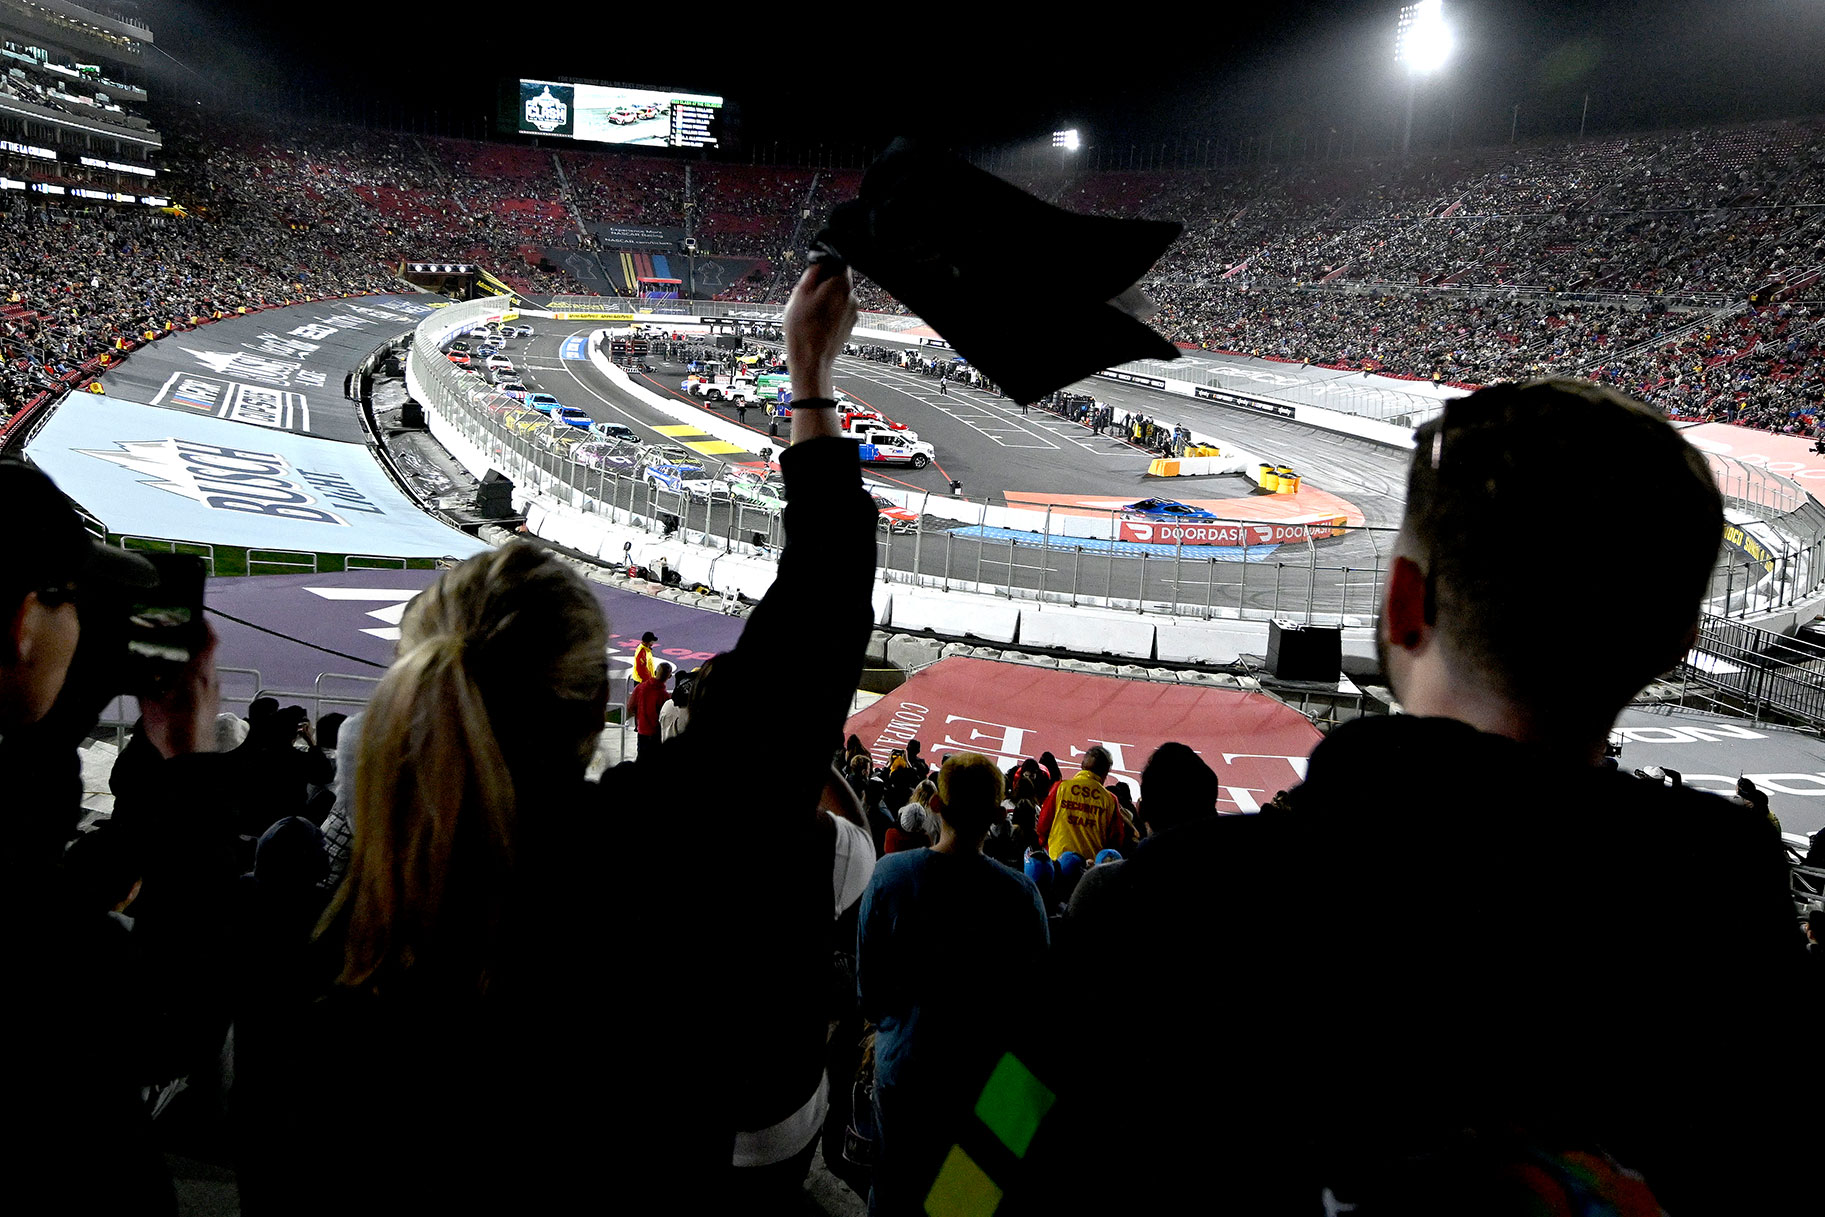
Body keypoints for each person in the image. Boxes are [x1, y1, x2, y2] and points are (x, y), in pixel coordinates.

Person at [1020, 380, 1813, 1215]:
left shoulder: (1168, 898)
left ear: (1401, 604)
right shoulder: (1730, 935)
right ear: (1674, 645)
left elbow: (976, 1170)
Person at [236, 261, 877, 1213]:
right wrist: (809, 377)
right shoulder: (646, 858)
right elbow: (819, 617)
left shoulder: (313, 935)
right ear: (594, 712)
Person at [1, 459, 225, 1215]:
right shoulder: (47, 939)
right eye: (72, 601)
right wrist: (185, 762)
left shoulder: (29, 798)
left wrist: (44, 716)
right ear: (23, 623)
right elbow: (173, 1021)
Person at [857, 753, 1048, 1217]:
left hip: (906, 1068)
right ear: (998, 814)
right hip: (986, 1086)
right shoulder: (1022, 896)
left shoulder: (890, 876)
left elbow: (872, 994)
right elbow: (1036, 1009)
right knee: (964, 1206)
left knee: (894, 1191)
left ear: (937, 804)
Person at [1034, 745, 1125, 861]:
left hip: (1057, 859)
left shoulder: (1061, 788)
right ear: (1106, 772)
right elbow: (1116, 839)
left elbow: (1043, 824)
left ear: (1082, 765)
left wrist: (1043, 845)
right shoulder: (1110, 800)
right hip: (1090, 866)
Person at [627, 660, 672, 759]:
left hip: (642, 731)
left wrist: (639, 717)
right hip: (656, 734)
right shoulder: (664, 696)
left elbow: (630, 706)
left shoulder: (640, 687)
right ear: (669, 677)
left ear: (655, 672)